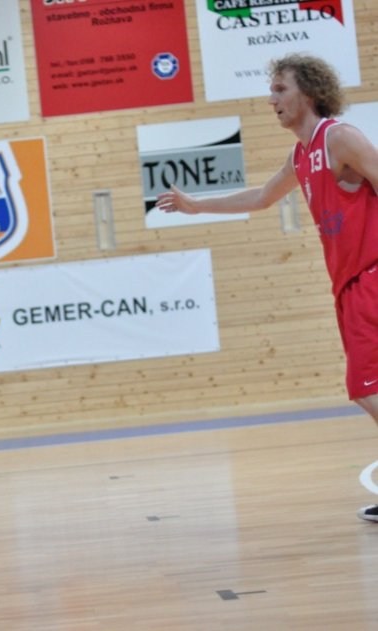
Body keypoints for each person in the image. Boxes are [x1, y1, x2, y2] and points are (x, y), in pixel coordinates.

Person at [156, 54, 378, 523]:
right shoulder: (302, 155)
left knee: (366, 388)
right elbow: (261, 197)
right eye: (271, 89)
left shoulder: (339, 137)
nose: (271, 98)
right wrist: (197, 206)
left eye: (280, 89)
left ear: (309, 93)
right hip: (350, 285)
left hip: (371, 276)